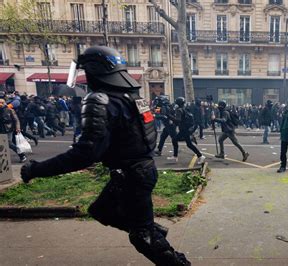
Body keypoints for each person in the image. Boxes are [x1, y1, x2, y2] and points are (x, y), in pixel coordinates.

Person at [20, 46, 190, 265]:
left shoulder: (100, 101)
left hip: (132, 175)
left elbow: (85, 154)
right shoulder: (130, 96)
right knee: (102, 211)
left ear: (92, 72)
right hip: (140, 170)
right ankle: (151, 228)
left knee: (143, 237)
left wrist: (37, 169)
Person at [173, 97, 205, 164]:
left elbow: (178, 120)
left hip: (184, 129)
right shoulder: (185, 109)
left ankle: (200, 156)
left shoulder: (179, 110)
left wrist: (170, 116)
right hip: (186, 129)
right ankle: (175, 156)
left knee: (180, 141)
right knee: (187, 143)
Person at [0, 98, 27, 162]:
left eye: (2, 102)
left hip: (8, 129)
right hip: (1, 129)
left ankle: (22, 155)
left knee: (9, 143)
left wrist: (18, 128)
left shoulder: (10, 110)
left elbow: (16, 120)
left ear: (5, 103)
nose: (1, 104)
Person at [154, 95, 179, 160]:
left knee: (175, 139)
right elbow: (157, 114)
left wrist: (161, 116)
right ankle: (159, 150)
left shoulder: (166, 106)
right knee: (162, 137)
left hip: (170, 125)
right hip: (168, 125)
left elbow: (159, 115)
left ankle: (175, 155)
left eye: (159, 100)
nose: (157, 102)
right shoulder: (164, 106)